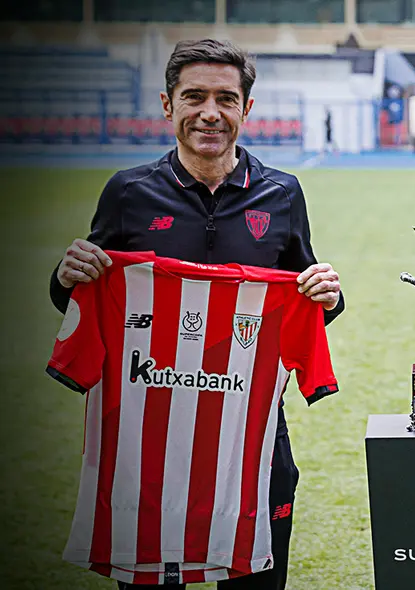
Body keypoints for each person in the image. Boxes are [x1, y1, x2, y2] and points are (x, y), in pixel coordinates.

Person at [49, 39, 344, 590]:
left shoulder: (282, 193)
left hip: (249, 430)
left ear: (245, 109)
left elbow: (304, 299)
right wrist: (67, 276)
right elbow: (80, 298)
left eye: (226, 99)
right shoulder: (129, 192)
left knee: (257, 576)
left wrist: (327, 292)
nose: (210, 112)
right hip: (147, 431)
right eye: (195, 97)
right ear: (168, 105)